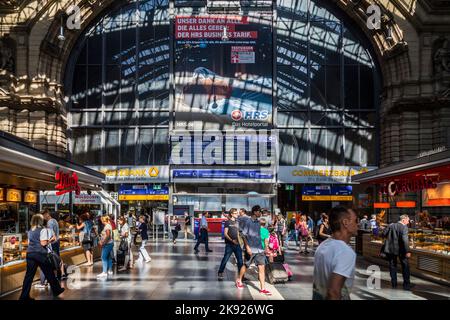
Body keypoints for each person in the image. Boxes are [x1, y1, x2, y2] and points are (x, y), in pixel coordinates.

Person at [313, 207, 358, 300]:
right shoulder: (345, 252)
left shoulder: (323, 246)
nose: (357, 224)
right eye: (355, 220)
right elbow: (333, 292)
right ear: (345, 223)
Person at [19, 214, 64, 300]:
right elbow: (43, 243)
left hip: (30, 254)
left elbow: (29, 243)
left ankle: (24, 296)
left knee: (29, 276)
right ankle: (57, 290)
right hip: (40, 254)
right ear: (41, 220)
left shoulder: (30, 231)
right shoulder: (42, 230)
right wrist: (52, 239)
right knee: (49, 272)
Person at [237, 205, 272, 296]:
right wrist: (247, 247)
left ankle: (263, 288)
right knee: (246, 265)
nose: (260, 213)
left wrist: (264, 248)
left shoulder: (258, 222)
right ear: (255, 212)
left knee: (262, 268)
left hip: (259, 249)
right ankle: (239, 279)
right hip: (251, 249)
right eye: (259, 211)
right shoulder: (248, 221)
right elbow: (243, 235)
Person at [381, 214, 412, 290]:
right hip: (402, 250)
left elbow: (383, 234)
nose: (408, 222)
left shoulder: (391, 225)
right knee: (405, 266)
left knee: (392, 266)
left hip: (391, 249)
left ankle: (394, 283)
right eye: (407, 220)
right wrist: (407, 251)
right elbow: (405, 240)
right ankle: (406, 284)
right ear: (403, 220)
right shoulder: (404, 227)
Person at [217, 209, 243, 281]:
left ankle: (241, 275)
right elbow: (225, 234)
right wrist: (232, 240)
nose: (237, 214)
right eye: (235, 213)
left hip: (237, 244)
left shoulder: (238, 222)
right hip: (229, 244)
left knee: (240, 261)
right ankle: (220, 272)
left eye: (237, 213)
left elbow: (240, 232)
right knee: (225, 259)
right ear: (231, 214)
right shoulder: (227, 222)